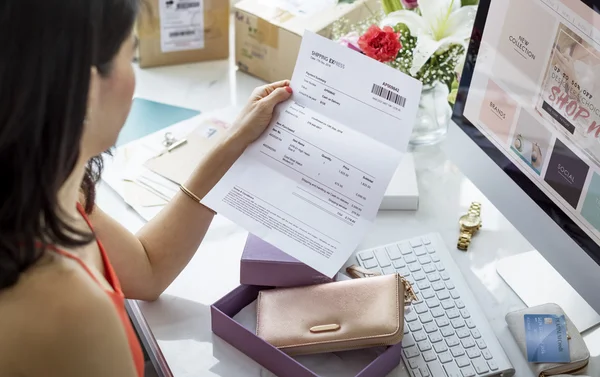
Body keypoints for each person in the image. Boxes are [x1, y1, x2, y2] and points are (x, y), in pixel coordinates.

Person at [0, 1, 292, 376]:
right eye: (131, 56)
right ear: (87, 88)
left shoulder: (39, 180)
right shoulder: (69, 310)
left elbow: (148, 268)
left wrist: (235, 141)